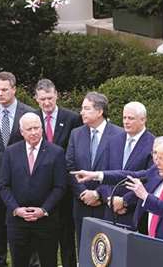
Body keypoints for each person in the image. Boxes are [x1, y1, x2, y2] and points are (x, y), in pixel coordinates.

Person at [72, 139, 163, 267]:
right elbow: (130, 175)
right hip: (153, 247)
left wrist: (145, 196)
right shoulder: (158, 172)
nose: (157, 163)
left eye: (161, 159)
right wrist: (96, 175)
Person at [0, 112, 66, 267]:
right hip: (18, 222)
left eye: (37, 128)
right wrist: (16, 209)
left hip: (46, 221)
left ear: (42, 129)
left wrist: (44, 209)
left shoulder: (56, 152)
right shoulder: (11, 152)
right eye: (29, 129)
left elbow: (60, 187)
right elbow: (3, 185)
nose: (34, 132)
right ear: (22, 132)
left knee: (49, 262)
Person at [0, 71, 34, 267]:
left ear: (14, 89)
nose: (0, 94)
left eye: (4, 90)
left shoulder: (28, 113)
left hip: (22, 180)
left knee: (25, 227)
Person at [65, 92, 124, 246]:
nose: (81, 112)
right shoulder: (76, 134)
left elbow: (119, 170)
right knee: (84, 249)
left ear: (100, 111)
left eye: (86, 108)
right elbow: (70, 167)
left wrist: (98, 194)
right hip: (81, 203)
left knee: (106, 252)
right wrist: (83, 193)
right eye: (82, 108)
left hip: (106, 204)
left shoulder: (119, 135)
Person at [33, 78, 81, 267]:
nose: (47, 103)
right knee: (43, 238)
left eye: (50, 98)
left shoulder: (72, 118)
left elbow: (76, 152)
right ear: (36, 98)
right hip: (40, 188)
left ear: (56, 95)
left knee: (67, 235)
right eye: (42, 99)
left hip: (65, 188)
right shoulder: (32, 119)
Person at [96, 101, 155, 227]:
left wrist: (125, 201)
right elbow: (105, 172)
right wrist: (110, 199)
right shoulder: (113, 141)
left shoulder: (153, 144)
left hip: (134, 213)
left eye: (131, 118)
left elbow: (151, 180)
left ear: (143, 120)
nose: (126, 121)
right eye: (124, 117)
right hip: (110, 210)